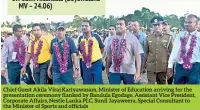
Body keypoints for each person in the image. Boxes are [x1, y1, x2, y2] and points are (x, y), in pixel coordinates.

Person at [106, 18, 143, 84]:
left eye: (121, 24)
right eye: (117, 24)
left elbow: (138, 56)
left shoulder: (132, 38)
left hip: (129, 71)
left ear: (126, 26)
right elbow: (108, 56)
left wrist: (138, 72)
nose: (118, 26)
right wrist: (107, 69)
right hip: (114, 71)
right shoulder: (111, 39)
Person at [168, 14, 200, 84]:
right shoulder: (180, 35)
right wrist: (170, 66)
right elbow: (174, 51)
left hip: (195, 67)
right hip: (180, 66)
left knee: (193, 90)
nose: (186, 24)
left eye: (190, 22)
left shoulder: (199, 36)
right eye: (185, 22)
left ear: (196, 24)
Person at [142, 16, 173, 84]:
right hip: (151, 67)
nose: (156, 27)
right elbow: (146, 53)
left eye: (158, 25)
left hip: (163, 67)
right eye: (154, 25)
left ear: (162, 26)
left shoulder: (168, 38)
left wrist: (170, 67)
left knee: (161, 85)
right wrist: (143, 66)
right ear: (152, 27)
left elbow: (171, 54)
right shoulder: (148, 38)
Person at [78, 20, 104, 84]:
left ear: (91, 27)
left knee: (97, 82)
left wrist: (95, 56)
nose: (84, 27)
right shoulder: (80, 38)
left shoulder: (96, 36)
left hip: (96, 63)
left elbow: (102, 48)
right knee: (87, 82)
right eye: (82, 26)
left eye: (86, 26)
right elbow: (79, 50)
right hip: (85, 64)